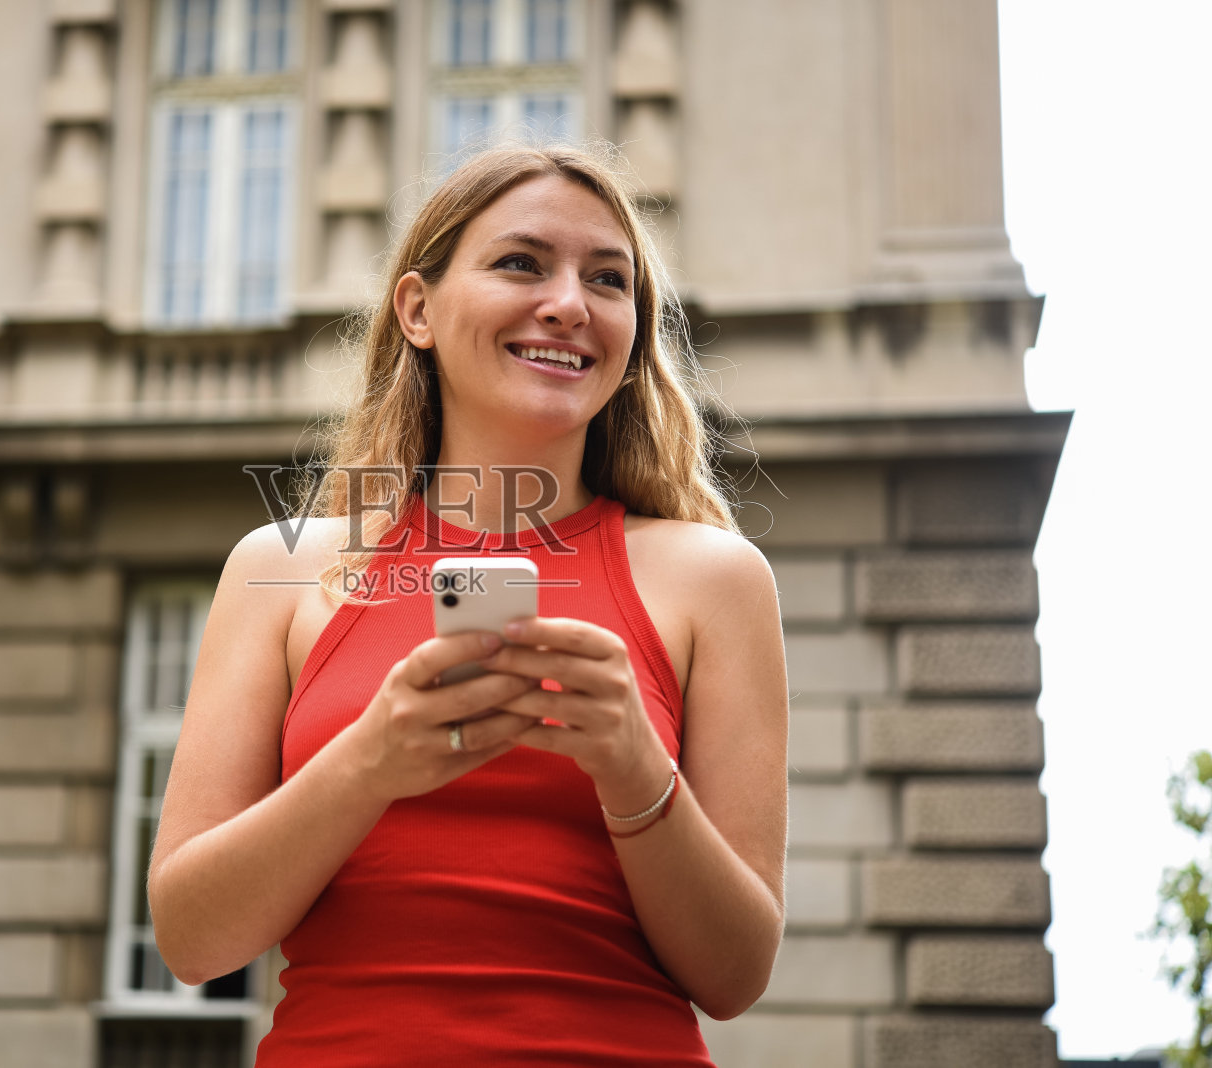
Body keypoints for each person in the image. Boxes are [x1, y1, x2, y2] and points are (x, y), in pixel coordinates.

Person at [147, 143, 789, 1065]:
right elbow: (191, 938)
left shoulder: (715, 579)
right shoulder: (281, 571)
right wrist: (371, 760)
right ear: (418, 311)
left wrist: (632, 764)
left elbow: (735, 976)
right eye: (522, 263)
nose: (570, 302)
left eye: (608, 280)